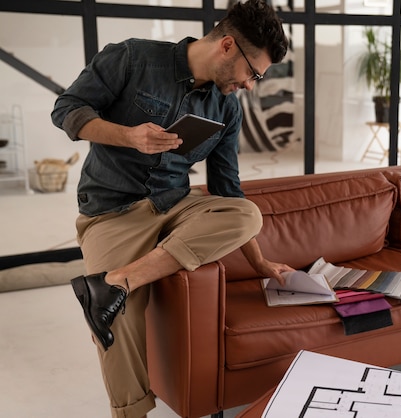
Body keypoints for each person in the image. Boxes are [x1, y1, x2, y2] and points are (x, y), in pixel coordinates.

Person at [50, 1, 293, 417]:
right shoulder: (132, 56)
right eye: (253, 74)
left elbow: (227, 190)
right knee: (116, 320)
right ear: (228, 46)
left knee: (247, 214)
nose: (251, 86)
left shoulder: (227, 108)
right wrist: (129, 136)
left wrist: (260, 262)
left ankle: (120, 280)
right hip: (110, 210)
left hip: (175, 205)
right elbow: (66, 111)